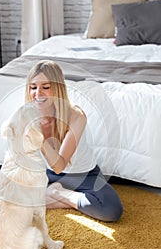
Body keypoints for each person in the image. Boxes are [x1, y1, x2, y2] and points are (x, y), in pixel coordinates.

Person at [25, 60, 123, 222]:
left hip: (83, 175)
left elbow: (59, 165)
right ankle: (57, 196)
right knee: (14, 200)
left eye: (46, 87)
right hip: (46, 175)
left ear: (57, 88)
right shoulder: (27, 116)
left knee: (112, 210)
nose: (38, 93)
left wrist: (39, 136)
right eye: (33, 87)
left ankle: (58, 194)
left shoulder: (76, 116)